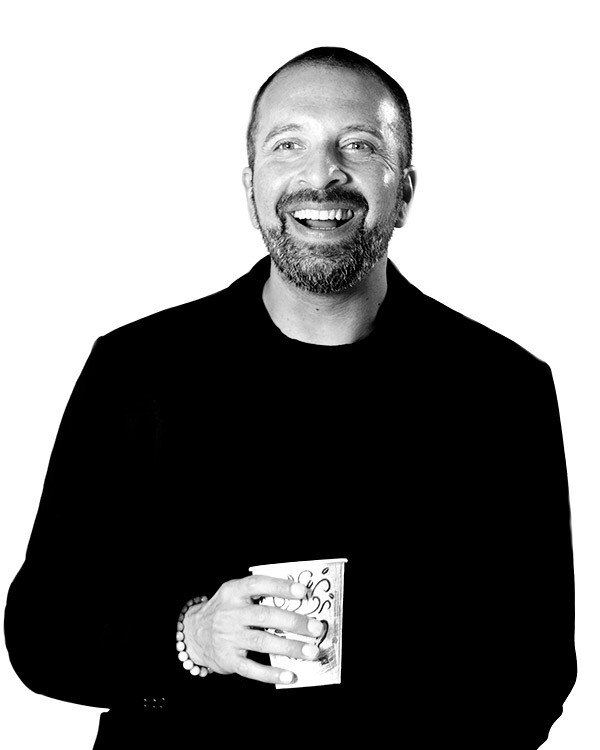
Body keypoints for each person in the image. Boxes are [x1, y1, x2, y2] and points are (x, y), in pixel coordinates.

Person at [5, 47, 576, 749]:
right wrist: (191, 638)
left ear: (404, 192)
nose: (321, 173)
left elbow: (537, 676)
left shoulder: (503, 388)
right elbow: (41, 636)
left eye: (358, 145)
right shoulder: (137, 371)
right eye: (288, 145)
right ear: (251, 189)